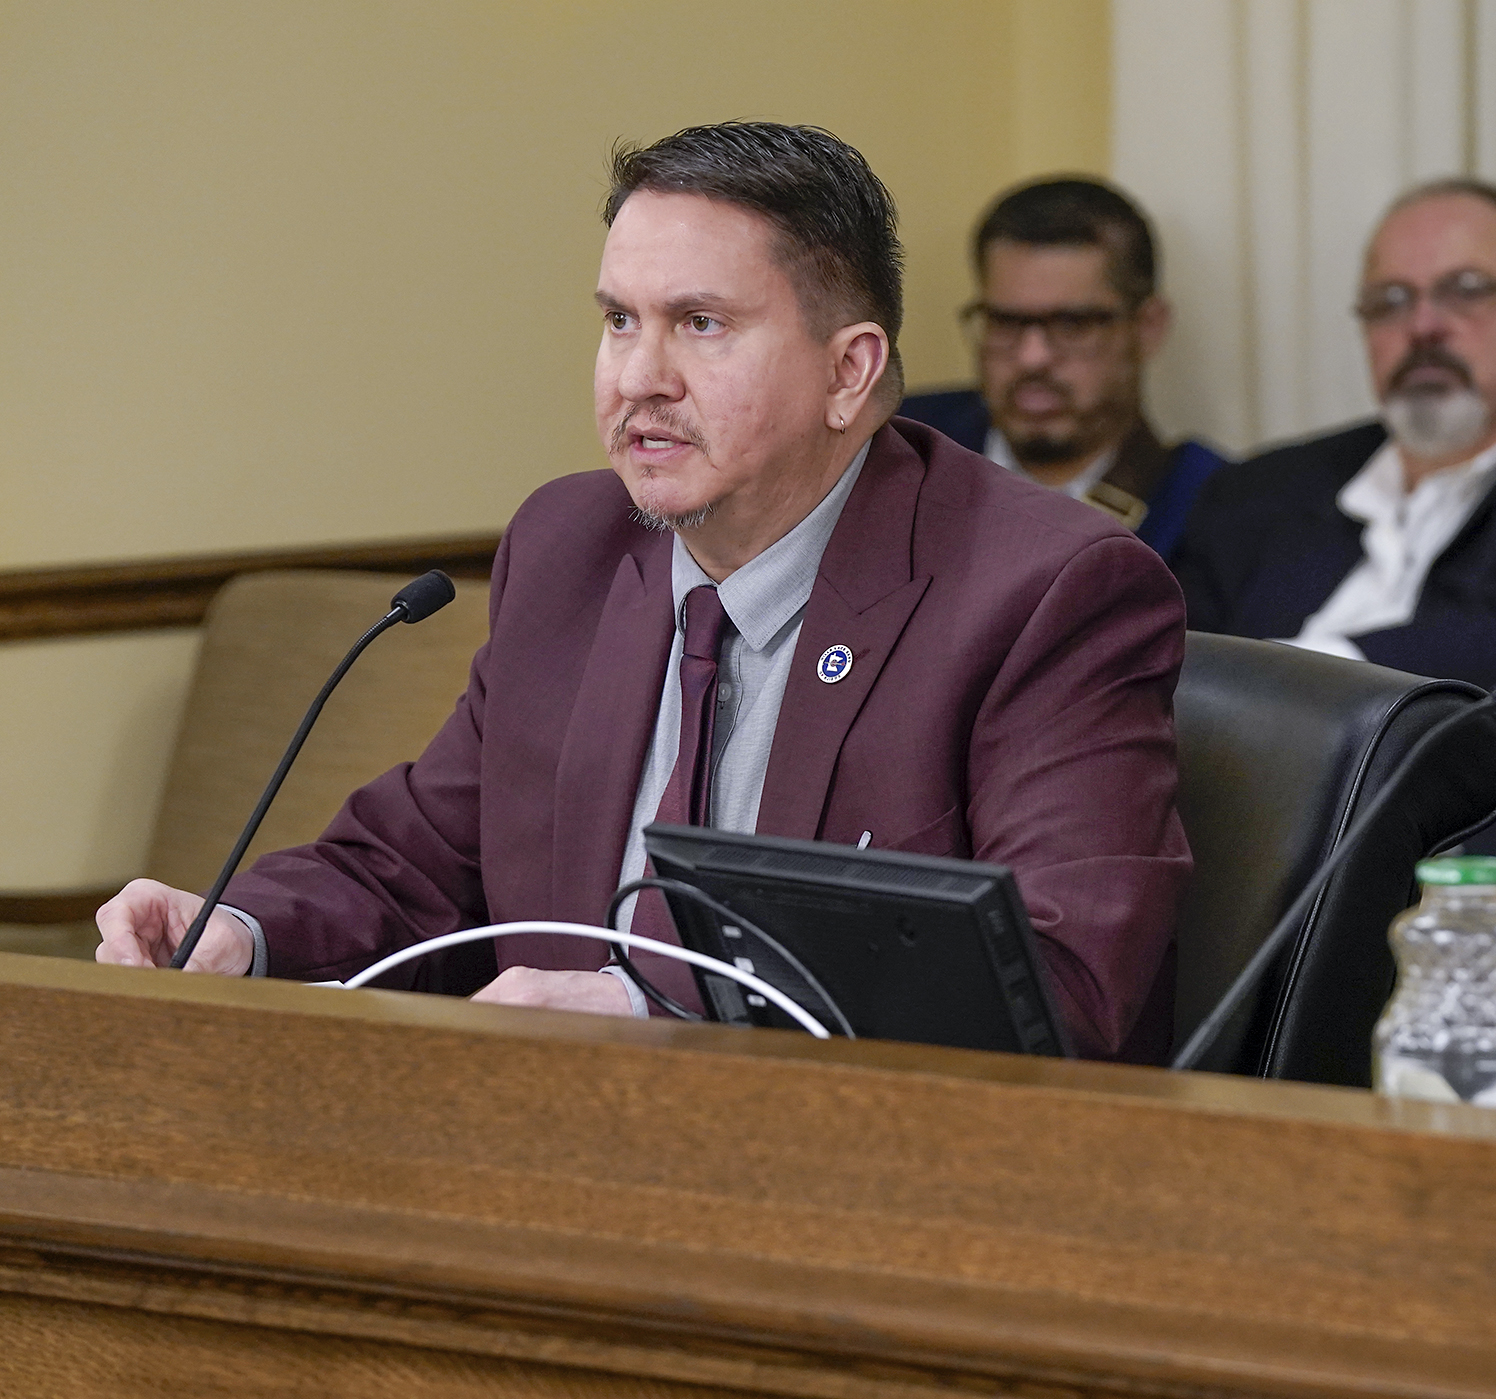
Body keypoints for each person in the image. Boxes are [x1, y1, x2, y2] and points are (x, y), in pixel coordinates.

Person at [93, 123, 1191, 1063]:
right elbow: (417, 863)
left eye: (700, 324)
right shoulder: (572, 544)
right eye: (620, 319)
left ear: (849, 372)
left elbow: (1060, 988)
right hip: (560, 1160)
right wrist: (239, 929)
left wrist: (649, 1009)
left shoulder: (1047, 590)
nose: (639, 379)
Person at [1173, 178, 1496, 690]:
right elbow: (1159, 675)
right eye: (1390, 300)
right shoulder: (1256, 492)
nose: (1423, 325)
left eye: (1467, 291)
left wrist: (1273, 689)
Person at [899, 178, 1226, 558]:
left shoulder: (1213, 509)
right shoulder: (897, 445)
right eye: (1005, 322)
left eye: (1073, 325)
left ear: (1147, 328)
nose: (1031, 357)